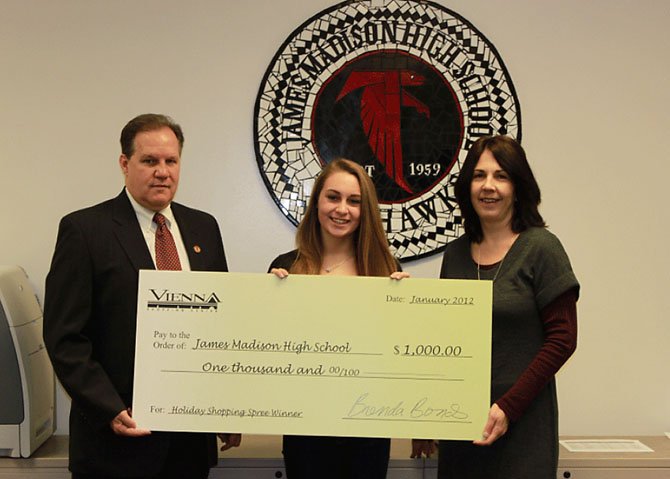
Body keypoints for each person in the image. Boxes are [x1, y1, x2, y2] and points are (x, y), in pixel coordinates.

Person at [43, 113, 241, 478]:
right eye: (150, 161)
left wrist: (223, 409)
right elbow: (65, 339)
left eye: (171, 161)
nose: (162, 172)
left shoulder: (204, 228)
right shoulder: (85, 231)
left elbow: (219, 330)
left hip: (188, 446)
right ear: (125, 163)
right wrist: (109, 409)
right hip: (115, 445)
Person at [413, 135, 579, 477]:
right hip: (461, 431)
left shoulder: (542, 248)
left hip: (522, 430)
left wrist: (507, 408)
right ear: (467, 187)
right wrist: (425, 413)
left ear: (518, 186)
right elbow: (447, 343)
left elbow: (563, 338)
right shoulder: (455, 255)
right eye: (478, 175)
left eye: (501, 176)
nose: (489, 186)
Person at [268, 158, 408, 479]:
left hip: (367, 432)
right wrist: (272, 300)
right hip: (306, 431)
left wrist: (407, 308)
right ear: (316, 201)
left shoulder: (385, 269)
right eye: (333, 197)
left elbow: (396, 356)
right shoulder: (286, 268)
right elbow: (269, 352)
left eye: (354, 201)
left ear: (366, 210)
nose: (342, 209)